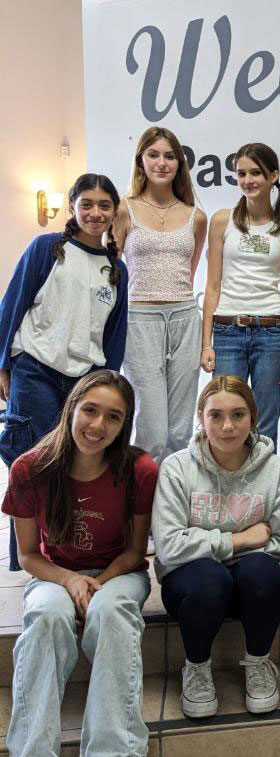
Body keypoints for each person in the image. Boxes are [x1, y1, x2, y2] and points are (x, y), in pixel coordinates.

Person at [2, 371, 157, 757]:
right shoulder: (29, 468)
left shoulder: (139, 469)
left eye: (113, 417)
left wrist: (96, 584)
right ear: (71, 408)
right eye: (90, 410)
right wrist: (70, 581)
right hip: (54, 572)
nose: (97, 426)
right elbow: (27, 556)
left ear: (124, 425)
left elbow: (136, 550)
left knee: (111, 612)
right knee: (46, 615)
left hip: (119, 573)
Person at [0, 173, 127, 571]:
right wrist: (3, 365)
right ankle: (27, 561)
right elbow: (13, 305)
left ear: (114, 212)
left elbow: (114, 337)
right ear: (72, 207)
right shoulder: (45, 249)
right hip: (35, 372)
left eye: (104, 205)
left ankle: (69, 554)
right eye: (86, 203)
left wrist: (109, 387)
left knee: (78, 466)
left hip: (84, 381)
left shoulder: (114, 268)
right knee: (33, 464)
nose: (95, 212)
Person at [152, 375, 280, 718]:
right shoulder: (176, 468)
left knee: (262, 570)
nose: (227, 426)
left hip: (248, 585)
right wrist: (239, 540)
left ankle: (259, 662)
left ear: (253, 418)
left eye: (238, 415)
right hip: (193, 589)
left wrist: (212, 548)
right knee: (210, 577)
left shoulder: (273, 469)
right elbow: (169, 547)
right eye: (215, 415)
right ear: (200, 417)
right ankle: (197, 667)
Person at [114, 125, 207, 464]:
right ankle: (142, 510)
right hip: (140, 320)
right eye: (153, 154)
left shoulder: (196, 217)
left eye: (170, 156)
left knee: (180, 430)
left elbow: (191, 270)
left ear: (179, 164)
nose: (162, 162)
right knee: (151, 427)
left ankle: (172, 506)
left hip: (184, 318)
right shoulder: (125, 209)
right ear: (141, 160)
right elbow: (112, 273)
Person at [200, 142, 280, 449]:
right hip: (227, 330)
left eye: (256, 173)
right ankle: (225, 488)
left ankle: (263, 493)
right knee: (222, 417)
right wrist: (206, 343)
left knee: (265, 423)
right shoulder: (222, 220)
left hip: (272, 332)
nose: (248, 180)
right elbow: (212, 286)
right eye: (241, 173)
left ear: (273, 176)